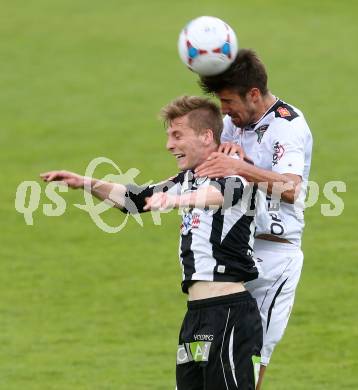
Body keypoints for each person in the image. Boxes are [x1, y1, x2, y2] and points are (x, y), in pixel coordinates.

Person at [41, 96, 263, 390]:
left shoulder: (236, 169)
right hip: (196, 317)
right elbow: (135, 200)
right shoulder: (187, 178)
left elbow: (224, 194)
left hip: (229, 313)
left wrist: (176, 201)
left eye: (177, 135)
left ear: (206, 136)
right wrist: (85, 182)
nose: (169, 145)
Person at [195, 49, 313, 389]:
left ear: (254, 94)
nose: (225, 111)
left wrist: (240, 166)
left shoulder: (287, 127)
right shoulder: (234, 124)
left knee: (251, 356)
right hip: (233, 250)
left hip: (275, 257)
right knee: (208, 347)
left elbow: (291, 189)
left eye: (229, 102)